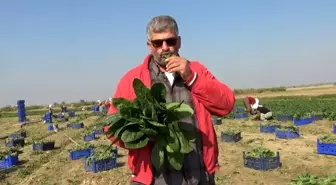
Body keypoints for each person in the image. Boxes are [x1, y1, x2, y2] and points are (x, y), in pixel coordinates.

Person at [104, 15, 235, 185]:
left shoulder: (197, 70)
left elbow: (226, 105)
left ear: (179, 42)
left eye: (170, 41)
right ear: (149, 46)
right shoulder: (132, 79)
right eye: (158, 43)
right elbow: (111, 128)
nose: (165, 48)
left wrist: (192, 77)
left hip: (198, 175)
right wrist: (143, 136)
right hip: (153, 179)